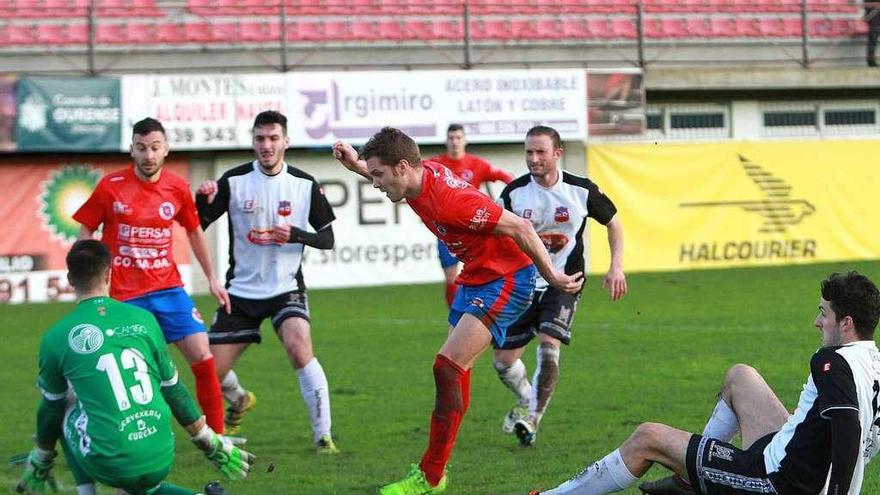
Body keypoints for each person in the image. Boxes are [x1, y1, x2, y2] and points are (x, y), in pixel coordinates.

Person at [332, 127, 583, 495]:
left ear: (402, 167)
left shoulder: (451, 199)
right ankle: (434, 473)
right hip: (476, 277)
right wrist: (356, 163)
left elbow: (521, 227)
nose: (375, 184)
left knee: (447, 366)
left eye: (379, 176)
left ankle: (431, 476)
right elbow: (389, 177)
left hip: (507, 279)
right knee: (452, 372)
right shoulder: (415, 179)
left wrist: (555, 277)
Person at [528, 271, 880, 495]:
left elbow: (848, 427)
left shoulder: (832, 360)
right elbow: (861, 435)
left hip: (775, 481)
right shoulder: (872, 362)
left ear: (846, 323)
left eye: (823, 313)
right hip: (793, 462)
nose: (816, 322)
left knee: (648, 437)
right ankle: (691, 481)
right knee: (740, 376)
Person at [16, 240, 254, 495]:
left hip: (110, 462)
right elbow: (173, 390)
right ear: (110, 273)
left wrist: (41, 456)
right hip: (160, 452)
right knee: (137, 487)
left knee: (62, 405)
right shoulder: (144, 320)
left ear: (70, 279)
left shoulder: (55, 337)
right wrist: (209, 442)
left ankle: (85, 491)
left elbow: (50, 410)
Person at [73, 117, 230, 435]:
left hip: (168, 289)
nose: (148, 155)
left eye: (155, 148)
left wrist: (212, 278)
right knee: (128, 372)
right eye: (142, 148)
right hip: (124, 294)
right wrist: (86, 277)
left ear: (166, 150)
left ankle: (218, 439)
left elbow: (195, 232)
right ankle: (106, 431)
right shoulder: (110, 186)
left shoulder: (177, 188)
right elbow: (87, 227)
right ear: (131, 149)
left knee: (203, 356)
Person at [195, 110, 339, 453]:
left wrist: (296, 234)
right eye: (260, 138)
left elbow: (328, 238)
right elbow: (197, 224)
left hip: (285, 288)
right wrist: (202, 199)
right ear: (253, 141)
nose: (267, 145)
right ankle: (241, 398)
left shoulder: (304, 184)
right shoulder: (233, 181)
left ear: (285, 142)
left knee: (300, 349)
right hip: (240, 292)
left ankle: (323, 437)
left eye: (274, 138)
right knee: (210, 374)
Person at [494, 125, 626, 447]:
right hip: (523, 283)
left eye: (540, 152)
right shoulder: (513, 194)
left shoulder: (580, 190)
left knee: (549, 345)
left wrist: (616, 266)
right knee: (503, 361)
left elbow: (614, 222)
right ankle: (527, 398)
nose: (534, 158)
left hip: (565, 281)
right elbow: (495, 236)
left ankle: (532, 419)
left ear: (557, 153)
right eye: (529, 152)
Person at [429, 124, 513, 307]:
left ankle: (482, 309)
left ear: (465, 140)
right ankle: (456, 317)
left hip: (473, 230)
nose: (455, 142)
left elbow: (505, 177)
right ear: (446, 141)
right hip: (447, 231)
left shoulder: (477, 164)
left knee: (484, 272)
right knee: (451, 277)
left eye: (458, 138)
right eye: (451, 138)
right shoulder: (436, 165)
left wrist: (511, 195)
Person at [866, 1, 879, 67]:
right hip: (874, 25)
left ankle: (871, 60)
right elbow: (867, 18)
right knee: (872, 43)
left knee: (873, 43)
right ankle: (871, 61)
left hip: (876, 24)